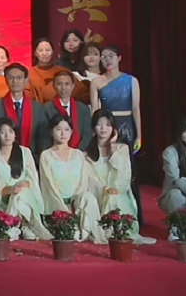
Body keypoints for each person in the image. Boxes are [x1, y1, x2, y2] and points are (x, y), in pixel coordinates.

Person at [90, 45, 143, 223]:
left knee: (128, 171)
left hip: (126, 127)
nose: (107, 60)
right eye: (103, 57)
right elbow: (95, 111)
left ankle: (132, 215)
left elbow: (136, 109)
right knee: (106, 167)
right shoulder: (96, 82)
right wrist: (96, 130)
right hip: (105, 126)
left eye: (111, 56)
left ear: (119, 58)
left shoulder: (131, 81)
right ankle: (107, 211)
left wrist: (139, 135)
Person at [86, 110, 155, 244]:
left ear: (113, 128)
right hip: (98, 195)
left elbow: (124, 177)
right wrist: (105, 189)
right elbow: (90, 179)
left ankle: (118, 233)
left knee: (114, 197)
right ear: (93, 129)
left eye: (108, 124)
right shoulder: (87, 154)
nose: (103, 128)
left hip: (119, 193)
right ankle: (107, 232)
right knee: (109, 196)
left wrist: (113, 148)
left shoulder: (122, 149)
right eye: (99, 124)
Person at [38, 114, 106, 244]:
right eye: (58, 129)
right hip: (57, 205)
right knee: (70, 233)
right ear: (51, 131)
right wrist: (64, 208)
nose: (63, 133)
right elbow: (48, 186)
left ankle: (86, 227)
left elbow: (84, 181)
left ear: (72, 132)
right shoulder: (46, 155)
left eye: (67, 129)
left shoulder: (78, 154)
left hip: (76, 204)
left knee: (89, 197)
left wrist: (75, 204)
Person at [0, 118, 51, 240]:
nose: (7, 135)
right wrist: (11, 189)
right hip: (4, 199)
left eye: (10, 131)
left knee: (19, 195)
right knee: (15, 196)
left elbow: (32, 178)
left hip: (26, 195)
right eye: (3, 132)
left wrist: (24, 184)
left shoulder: (25, 152)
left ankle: (14, 226)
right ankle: (26, 225)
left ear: (15, 134)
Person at [0, 64, 48, 157]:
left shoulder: (37, 108)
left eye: (19, 78)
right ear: (5, 80)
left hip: (32, 157)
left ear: (26, 80)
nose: (15, 81)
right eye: (10, 78)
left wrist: (40, 157)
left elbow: (43, 136)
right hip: (3, 157)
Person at [43, 71, 92, 151]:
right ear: (54, 86)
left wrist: (77, 152)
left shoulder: (83, 109)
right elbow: (44, 135)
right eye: (59, 84)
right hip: (54, 152)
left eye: (67, 84)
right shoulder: (46, 108)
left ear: (73, 86)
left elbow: (87, 135)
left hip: (79, 153)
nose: (63, 88)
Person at [28, 38, 67, 103]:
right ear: (35, 53)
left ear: (53, 52)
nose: (44, 53)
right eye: (40, 50)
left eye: (47, 50)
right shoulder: (29, 74)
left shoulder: (63, 71)